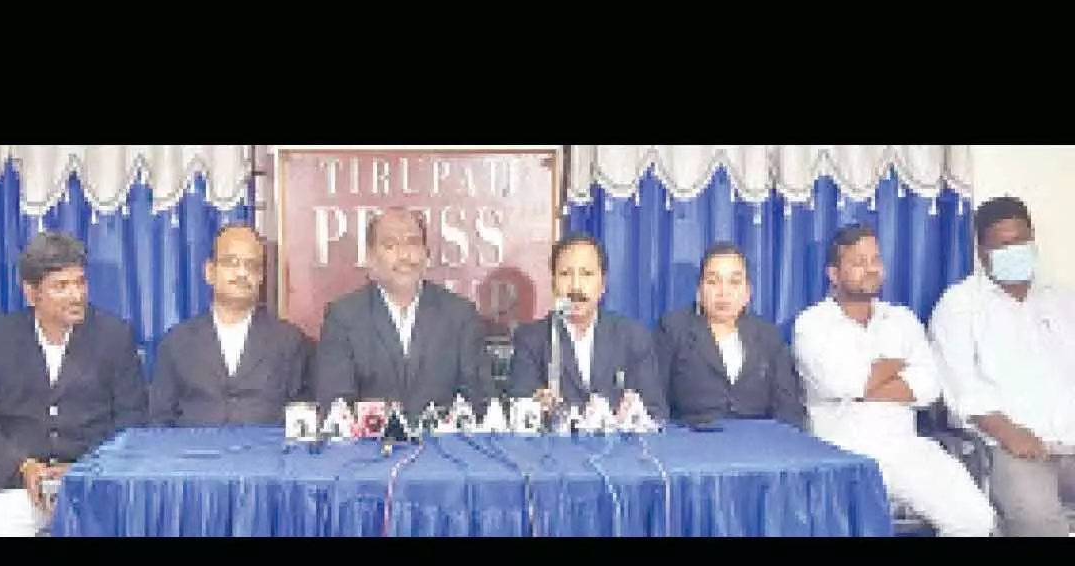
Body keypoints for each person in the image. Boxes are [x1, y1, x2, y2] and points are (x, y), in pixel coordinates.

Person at [793, 224, 995, 537]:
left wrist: (867, 382)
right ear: (833, 274)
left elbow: (928, 387)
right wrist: (898, 365)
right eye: (858, 262)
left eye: (875, 259)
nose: (870, 269)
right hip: (842, 457)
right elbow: (844, 382)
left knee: (977, 520)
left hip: (906, 450)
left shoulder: (901, 319)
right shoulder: (812, 324)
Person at [0, 231, 148, 537]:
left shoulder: (114, 337)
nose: (76, 295)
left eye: (80, 282)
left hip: (93, 483)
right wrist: (23, 466)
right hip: (16, 485)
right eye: (61, 286)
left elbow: (131, 420)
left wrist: (84, 468)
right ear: (32, 293)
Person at [930, 196, 1075, 536]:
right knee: (1038, 520)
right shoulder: (959, 306)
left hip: (1070, 438)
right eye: (1004, 245)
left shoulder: (1062, 301)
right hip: (1012, 449)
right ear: (982, 253)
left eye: (1021, 241)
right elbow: (960, 388)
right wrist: (1010, 432)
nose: (1016, 251)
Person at [314, 206, 494, 418]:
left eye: (413, 243)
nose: (405, 255)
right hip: (370, 448)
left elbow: (479, 401)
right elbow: (337, 406)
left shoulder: (460, 315)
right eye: (390, 245)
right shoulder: (343, 317)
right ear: (371, 258)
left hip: (444, 447)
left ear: (427, 254)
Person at [149, 224, 312, 426]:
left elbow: (303, 419)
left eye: (252, 265)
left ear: (261, 277)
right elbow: (159, 420)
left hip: (266, 455)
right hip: (193, 455)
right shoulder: (176, 342)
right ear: (210, 272)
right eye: (231, 263)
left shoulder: (289, 341)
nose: (242, 273)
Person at [507, 234, 666, 421]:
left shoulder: (632, 336)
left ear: (603, 285)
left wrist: (634, 410)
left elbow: (656, 411)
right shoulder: (531, 339)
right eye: (565, 274)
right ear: (553, 284)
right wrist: (537, 404)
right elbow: (518, 404)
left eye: (586, 274)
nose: (575, 286)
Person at [654, 242, 803, 427]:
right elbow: (656, 401)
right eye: (713, 282)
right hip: (693, 443)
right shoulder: (673, 329)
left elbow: (787, 408)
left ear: (748, 292)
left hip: (757, 445)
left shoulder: (767, 335)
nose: (723, 293)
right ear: (699, 290)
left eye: (734, 282)